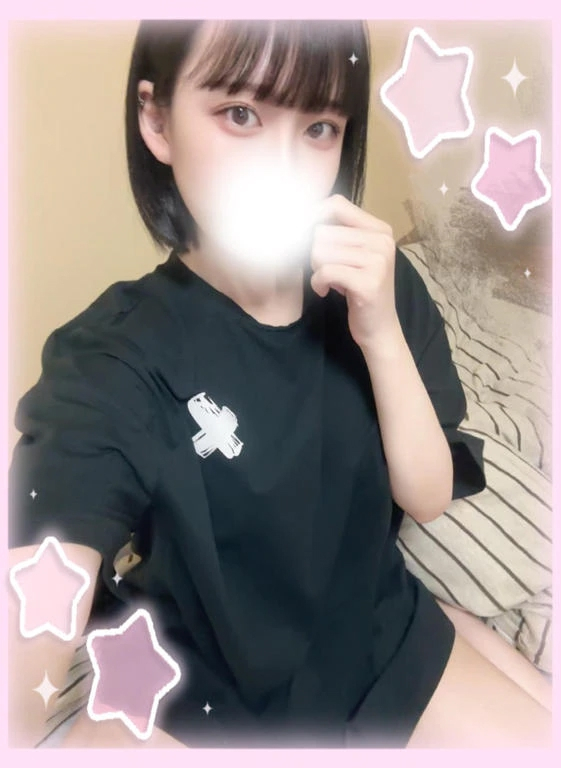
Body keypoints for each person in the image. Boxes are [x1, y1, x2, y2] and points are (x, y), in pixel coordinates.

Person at [8, 19, 552, 749]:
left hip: (374, 639)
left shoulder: (379, 284)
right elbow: (35, 615)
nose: (284, 168)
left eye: (319, 128)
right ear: (157, 120)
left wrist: (380, 333)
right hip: (200, 691)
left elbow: (426, 497)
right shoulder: (113, 357)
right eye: (240, 114)